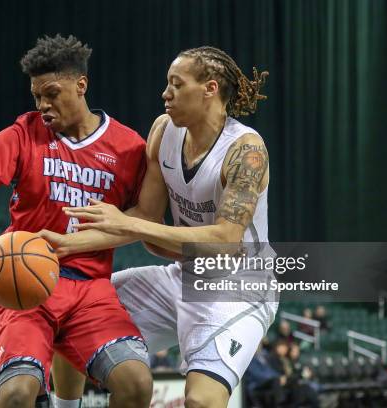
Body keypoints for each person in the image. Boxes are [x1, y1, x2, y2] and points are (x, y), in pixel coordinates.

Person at [0, 34, 152, 408]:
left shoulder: (129, 147)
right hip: (23, 282)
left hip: (90, 289)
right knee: (17, 394)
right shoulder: (23, 133)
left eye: (52, 93)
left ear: (81, 85)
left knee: (136, 385)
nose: (43, 104)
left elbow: (143, 218)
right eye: (37, 96)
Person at [44, 46, 275, 408]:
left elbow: (224, 241)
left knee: (201, 401)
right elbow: (145, 218)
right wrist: (68, 244)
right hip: (182, 276)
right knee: (73, 310)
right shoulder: (163, 130)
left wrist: (131, 225)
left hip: (239, 288)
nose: (165, 94)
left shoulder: (246, 151)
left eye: (176, 84)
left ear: (209, 89)